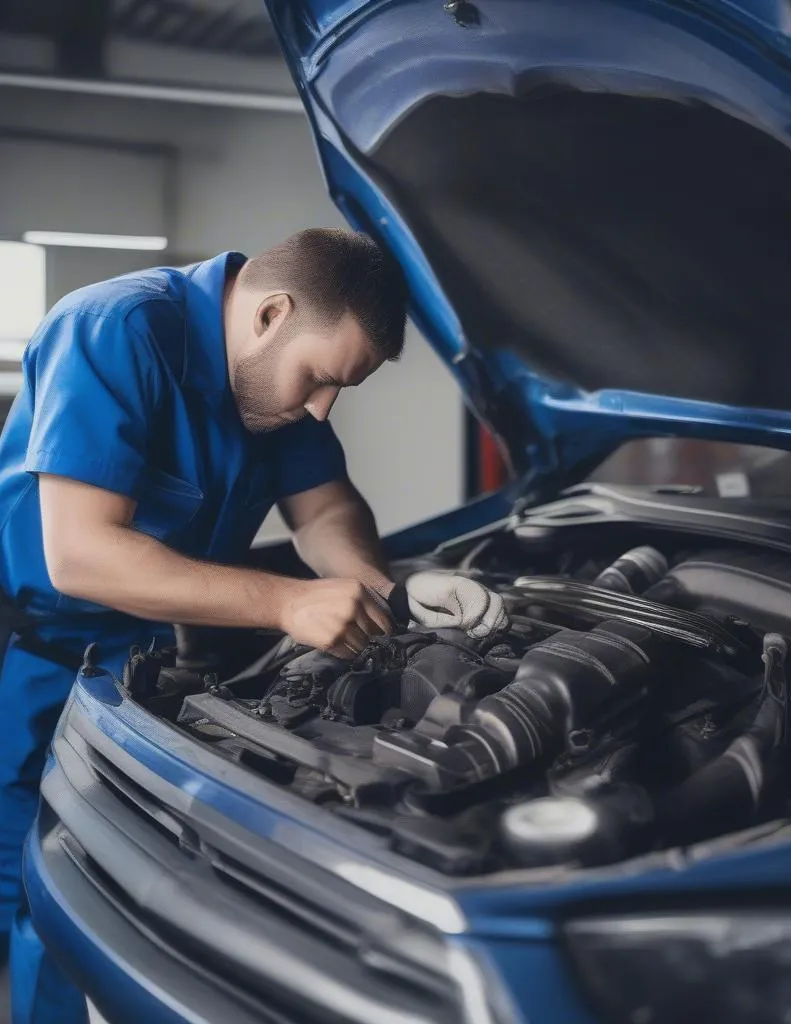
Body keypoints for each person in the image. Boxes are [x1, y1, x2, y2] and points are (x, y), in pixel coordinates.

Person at [0, 228, 507, 1023]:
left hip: (144, 653)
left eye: (340, 391)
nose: (320, 408)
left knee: (113, 882)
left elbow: (328, 507)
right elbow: (81, 557)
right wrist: (285, 603)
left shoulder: (274, 391)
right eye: (317, 379)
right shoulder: (116, 328)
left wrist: (383, 592)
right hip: (29, 650)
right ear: (271, 313)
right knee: (36, 885)